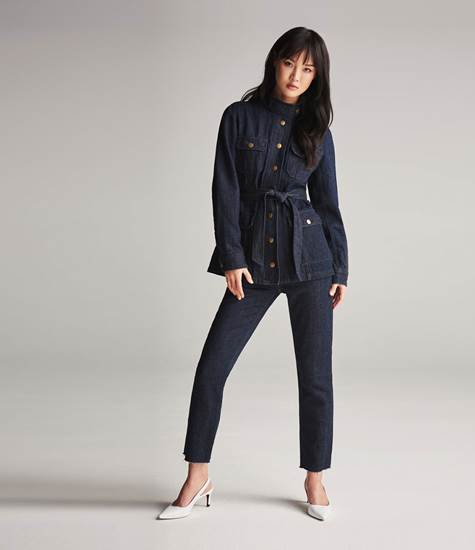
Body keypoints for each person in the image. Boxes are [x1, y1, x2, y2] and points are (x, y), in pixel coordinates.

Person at [158, 27, 349, 522]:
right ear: (275, 62)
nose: (297, 76)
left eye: (308, 69)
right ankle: (197, 476)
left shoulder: (318, 132)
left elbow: (328, 205)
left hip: (311, 263)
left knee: (315, 378)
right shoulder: (238, 117)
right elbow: (224, 190)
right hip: (254, 262)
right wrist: (231, 256)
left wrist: (341, 268)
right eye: (290, 64)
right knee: (212, 368)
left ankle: (315, 478)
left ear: (317, 77)